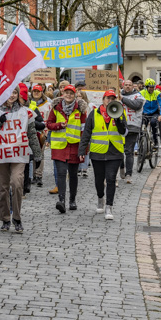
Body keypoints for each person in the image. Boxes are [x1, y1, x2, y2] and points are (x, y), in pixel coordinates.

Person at [0, 88, 41, 233]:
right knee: (3, 188)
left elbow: (31, 133)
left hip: (18, 154)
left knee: (17, 183)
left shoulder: (25, 112)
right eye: (9, 93)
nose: (12, 96)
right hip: (2, 154)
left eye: (14, 93)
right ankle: (5, 218)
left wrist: (38, 154)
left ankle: (17, 218)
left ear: (18, 95)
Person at [80, 90, 127, 220]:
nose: (110, 101)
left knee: (111, 178)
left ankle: (109, 207)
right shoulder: (94, 114)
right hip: (98, 152)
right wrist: (81, 151)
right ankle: (100, 198)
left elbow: (124, 132)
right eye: (108, 98)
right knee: (99, 180)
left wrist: (118, 119)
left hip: (115, 152)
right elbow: (87, 133)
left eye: (113, 99)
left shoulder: (120, 112)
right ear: (103, 99)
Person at [46, 84, 86, 213]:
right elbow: (49, 124)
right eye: (66, 93)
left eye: (71, 93)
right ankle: (61, 200)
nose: (68, 95)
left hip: (74, 146)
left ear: (74, 95)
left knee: (73, 175)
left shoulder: (80, 110)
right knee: (62, 173)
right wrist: (59, 125)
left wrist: (83, 150)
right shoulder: (56, 108)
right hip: (59, 146)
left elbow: (84, 130)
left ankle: (72, 200)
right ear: (63, 94)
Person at [118, 79, 144, 183]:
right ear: (123, 86)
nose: (128, 86)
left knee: (129, 151)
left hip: (133, 126)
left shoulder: (138, 96)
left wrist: (123, 99)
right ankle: (121, 167)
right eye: (126, 85)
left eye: (130, 85)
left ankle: (129, 174)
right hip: (120, 126)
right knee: (119, 150)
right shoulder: (118, 95)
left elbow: (136, 105)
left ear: (133, 86)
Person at [141, 78, 161, 147]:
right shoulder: (141, 93)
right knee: (142, 127)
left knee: (153, 123)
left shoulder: (157, 93)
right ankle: (140, 143)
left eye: (153, 87)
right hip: (144, 112)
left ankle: (155, 141)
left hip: (154, 112)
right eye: (150, 87)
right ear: (146, 87)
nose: (152, 89)